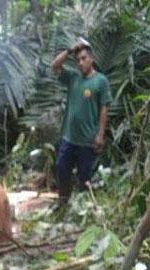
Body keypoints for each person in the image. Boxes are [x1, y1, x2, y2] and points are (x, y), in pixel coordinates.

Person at [50, 41, 112, 208]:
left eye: (84, 58)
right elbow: (55, 66)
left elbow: (104, 109)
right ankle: (63, 203)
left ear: (91, 58)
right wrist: (70, 50)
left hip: (87, 139)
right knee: (62, 169)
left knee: (84, 177)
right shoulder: (73, 77)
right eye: (77, 60)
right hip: (68, 137)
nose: (80, 62)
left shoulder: (101, 81)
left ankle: (83, 208)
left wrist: (100, 134)